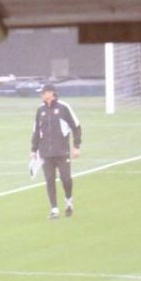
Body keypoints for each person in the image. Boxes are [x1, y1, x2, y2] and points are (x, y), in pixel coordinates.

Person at [30, 83, 82, 219]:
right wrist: (33, 149)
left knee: (66, 179)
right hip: (45, 153)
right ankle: (54, 209)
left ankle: (69, 200)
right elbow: (36, 132)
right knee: (49, 180)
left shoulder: (64, 108)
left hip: (62, 152)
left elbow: (76, 127)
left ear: (51, 93)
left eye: (43, 92)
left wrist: (76, 146)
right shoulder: (39, 110)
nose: (41, 95)